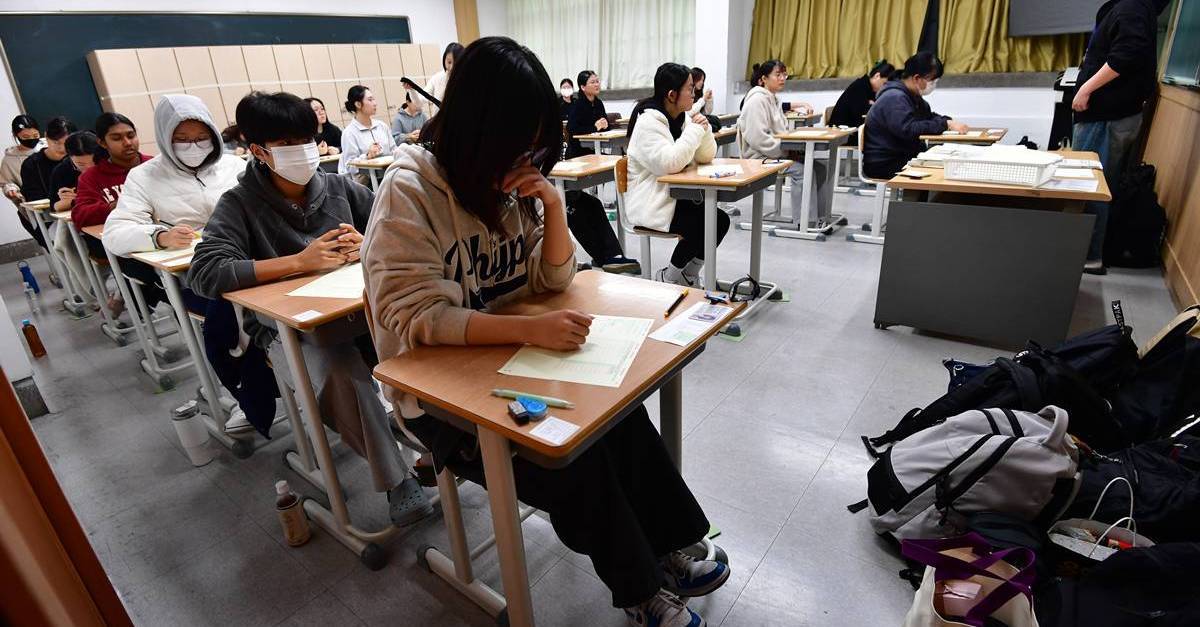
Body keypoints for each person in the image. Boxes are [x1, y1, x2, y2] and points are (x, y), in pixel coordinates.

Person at [363, 37, 729, 627]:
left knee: (618, 416)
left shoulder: (511, 183)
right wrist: (527, 331)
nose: (528, 162)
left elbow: (555, 279)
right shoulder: (410, 191)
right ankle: (640, 590)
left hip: (513, 360)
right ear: (478, 132)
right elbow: (417, 318)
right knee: (572, 459)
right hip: (437, 397)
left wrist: (553, 207)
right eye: (519, 147)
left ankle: (671, 545)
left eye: (537, 149)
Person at [188, 91, 431, 526]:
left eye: (306, 139)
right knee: (342, 373)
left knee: (423, 340)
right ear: (259, 151)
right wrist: (299, 262)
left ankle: (429, 437)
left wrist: (369, 245)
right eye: (286, 144)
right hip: (290, 331)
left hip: (361, 316)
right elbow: (205, 271)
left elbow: (399, 234)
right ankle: (397, 479)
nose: (302, 151)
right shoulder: (239, 204)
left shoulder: (339, 188)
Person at [101, 94, 251, 433]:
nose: (193, 146)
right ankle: (244, 394)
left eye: (201, 137)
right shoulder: (144, 176)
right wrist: (159, 236)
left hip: (247, 260)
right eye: (182, 139)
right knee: (232, 322)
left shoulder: (234, 166)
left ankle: (285, 382)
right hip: (193, 275)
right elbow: (115, 232)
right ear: (165, 138)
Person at [1072, 0, 1170, 275]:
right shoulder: (1131, 6)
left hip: (1106, 114)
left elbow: (1126, 53)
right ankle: (1090, 251)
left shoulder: (1131, 7)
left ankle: (1088, 254)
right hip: (1113, 113)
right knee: (1100, 182)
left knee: (1090, 183)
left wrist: (1086, 89)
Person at [626, 63, 720, 287]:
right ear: (671, 94)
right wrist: (695, 130)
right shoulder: (648, 122)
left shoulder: (681, 117)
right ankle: (668, 278)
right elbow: (669, 163)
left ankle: (687, 275)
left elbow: (707, 156)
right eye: (689, 88)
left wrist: (704, 129)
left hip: (672, 196)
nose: (694, 93)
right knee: (704, 225)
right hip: (651, 202)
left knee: (719, 221)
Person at [739, 60, 838, 230]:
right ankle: (805, 223)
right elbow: (758, 139)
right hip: (759, 157)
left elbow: (782, 131)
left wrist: (791, 148)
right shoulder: (756, 101)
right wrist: (786, 152)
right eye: (777, 75)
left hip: (775, 153)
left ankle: (821, 218)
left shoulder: (774, 99)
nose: (782, 78)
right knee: (802, 171)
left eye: (784, 75)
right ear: (764, 79)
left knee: (820, 167)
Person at [862, 52, 969, 180]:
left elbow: (928, 116)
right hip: (885, 162)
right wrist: (945, 124)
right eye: (932, 80)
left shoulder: (912, 96)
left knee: (948, 163)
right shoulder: (894, 97)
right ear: (917, 78)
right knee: (941, 171)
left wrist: (948, 121)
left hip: (902, 155)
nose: (933, 84)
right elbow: (908, 129)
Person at [47, 131, 101, 301]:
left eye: (93, 162)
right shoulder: (62, 171)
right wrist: (67, 201)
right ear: (69, 158)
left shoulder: (108, 163)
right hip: (79, 223)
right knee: (65, 241)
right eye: (80, 164)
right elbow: (54, 206)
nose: (88, 168)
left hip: (105, 218)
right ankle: (89, 291)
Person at [19, 117, 76, 250]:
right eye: (56, 142)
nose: (62, 148)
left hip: (78, 212)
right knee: (68, 241)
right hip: (53, 219)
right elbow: (34, 198)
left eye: (67, 143)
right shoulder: (32, 165)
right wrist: (60, 201)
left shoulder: (78, 159)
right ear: (46, 137)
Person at [338, 85, 396, 181]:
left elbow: (394, 150)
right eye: (370, 100)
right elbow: (349, 165)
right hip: (367, 182)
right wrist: (367, 156)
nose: (375, 103)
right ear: (358, 104)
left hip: (389, 174)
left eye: (373, 99)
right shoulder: (349, 133)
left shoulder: (382, 126)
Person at [829, 60, 895, 128]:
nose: (885, 87)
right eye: (884, 83)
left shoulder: (871, 89)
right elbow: (861, 115)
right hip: (842, 130)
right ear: (877, 76)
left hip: (855, 128)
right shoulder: (860, 86)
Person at [565, 70, 608, 158]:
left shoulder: (598, 103)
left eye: (597, 81)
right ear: (583, 87)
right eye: (592, 82)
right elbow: (572, 129)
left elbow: (604, 126)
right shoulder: (577, 105)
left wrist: (606, 125)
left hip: (595, 150)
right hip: (578, 153)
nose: (596, 85)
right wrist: (595, 128)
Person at [2, 115, 40, 209]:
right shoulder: (9, 159)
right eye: (25, 136)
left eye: (35, 135)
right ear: (16, 136)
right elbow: (7, 183)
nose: (31, 139)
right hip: (33, 205)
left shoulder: (48, 148)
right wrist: (10, 189)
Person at [418, 42, 464, 119]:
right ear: (444, 60)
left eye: (456, 63)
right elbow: (419, 102)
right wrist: (411, 89)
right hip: (440, 123)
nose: (451, 67)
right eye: (449, 62)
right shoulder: (437, 78)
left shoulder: (467, 79)